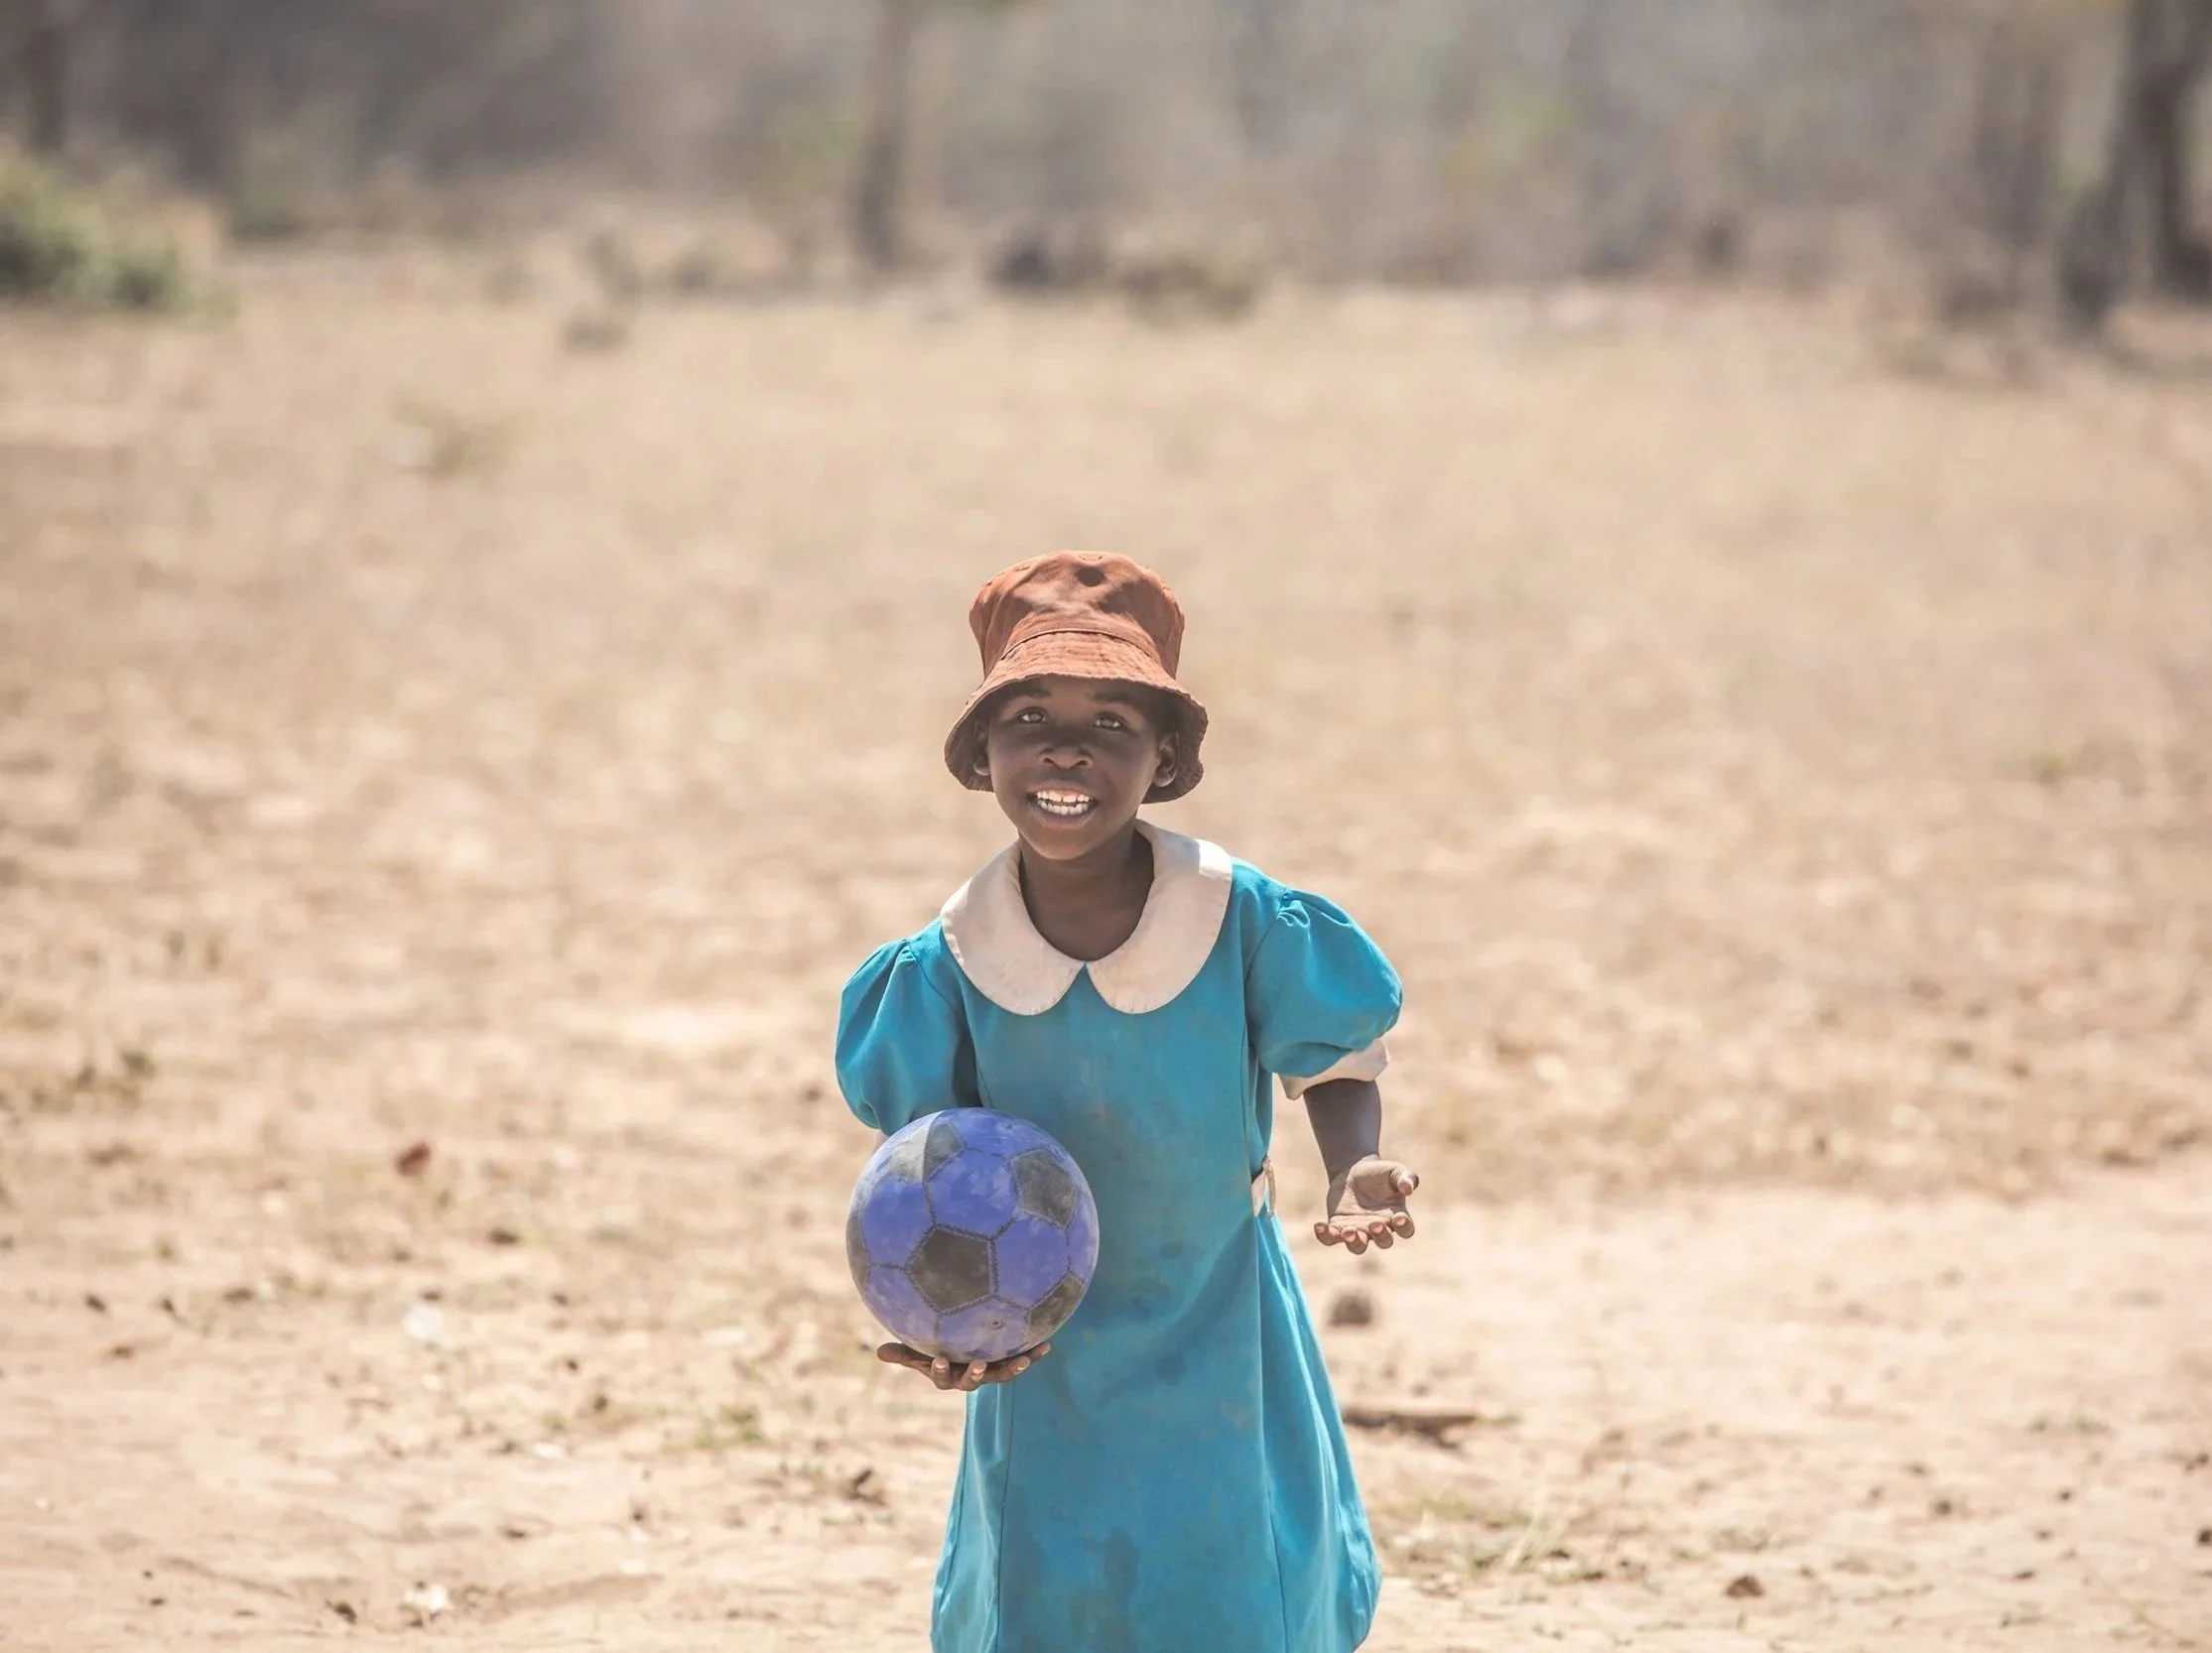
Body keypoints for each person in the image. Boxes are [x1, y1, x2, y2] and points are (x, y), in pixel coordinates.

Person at [835, 552, 1420, 1653]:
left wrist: (1355, 1165)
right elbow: (924, 1169)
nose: (1067, 746)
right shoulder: (948, 964)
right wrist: (944, 1322)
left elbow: (1336, 1059)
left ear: (1165, 758)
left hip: (1217, 1317)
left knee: (1234, 1577)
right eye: (1028, 715)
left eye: (1111, 721)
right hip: (1042, 1349)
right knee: (1049, 1591)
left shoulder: (1241, 919)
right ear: (979, 755)